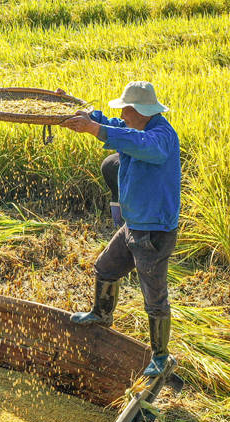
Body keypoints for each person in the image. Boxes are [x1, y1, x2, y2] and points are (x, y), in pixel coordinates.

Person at [60, 81, 180, 377]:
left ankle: (161, 356)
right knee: (105, 267)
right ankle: (101, 315)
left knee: (154, 297)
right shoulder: (137, 128)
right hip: (134, 223)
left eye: (126, 109)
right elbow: (114, 125)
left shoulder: (160, 137)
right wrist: (83, 115)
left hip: (153, 231)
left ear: (140, 111)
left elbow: (135, 143)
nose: (123, 114)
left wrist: (94, 129)